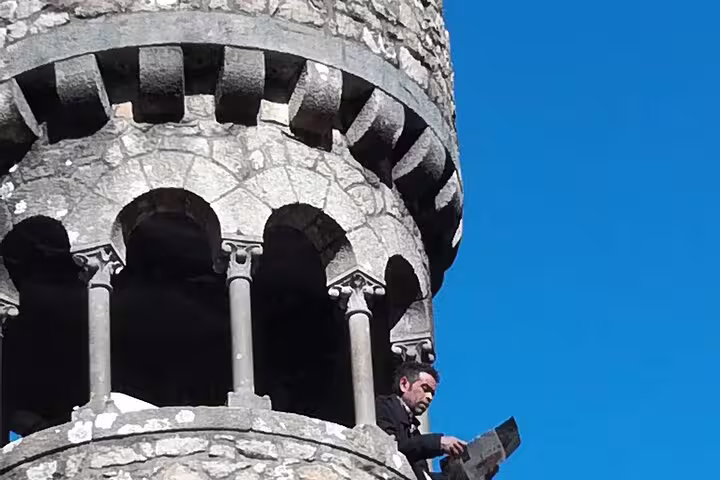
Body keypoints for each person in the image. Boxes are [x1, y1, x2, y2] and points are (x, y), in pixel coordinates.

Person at [375, 362, 468, 480]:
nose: (429, 397)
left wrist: (463, 473)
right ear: (404, 384)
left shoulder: (413, 431)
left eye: (432, 394)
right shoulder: (383, 408)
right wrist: (438, 443)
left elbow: (423, 477)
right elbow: (389, 448)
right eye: (425, 389)